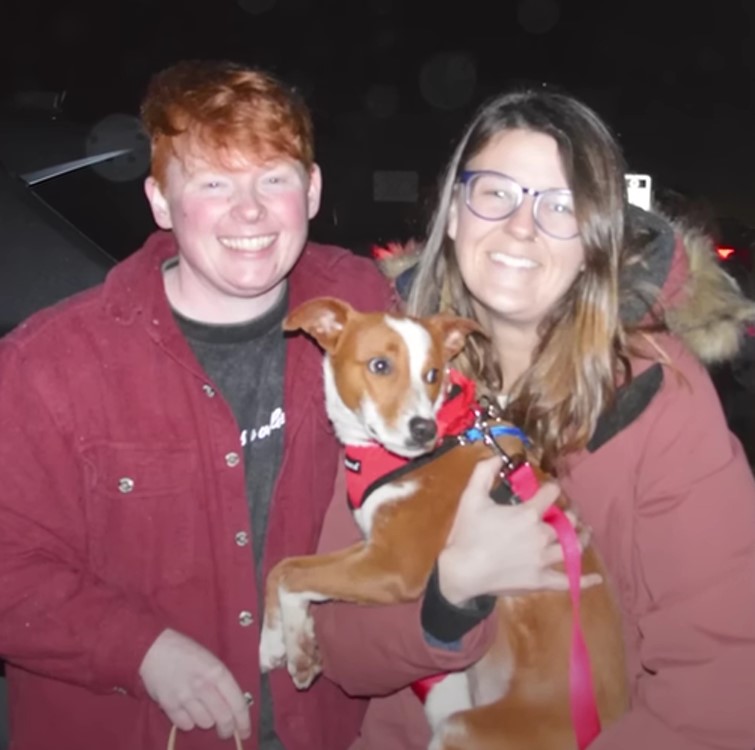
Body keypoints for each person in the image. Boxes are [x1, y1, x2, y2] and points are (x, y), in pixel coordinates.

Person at [0, 60, 578, 750]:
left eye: (272, 178)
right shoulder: (51, 363)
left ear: (310, 190)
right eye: (213, 182)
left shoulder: (365, 307)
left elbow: (514, 321)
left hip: (329, 728)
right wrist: (144, 650)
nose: (248, 211)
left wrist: (640, 283)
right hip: (139, 731)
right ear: (159, 200)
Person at [308, 90, 755, 749]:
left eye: (559, 206)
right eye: (495, 193)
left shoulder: (656, 391)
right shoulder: (400, 381)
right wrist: (448, 599)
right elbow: (339, 648)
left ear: (594, 240)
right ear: (454, 214)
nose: (521, 227)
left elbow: (721, 677)